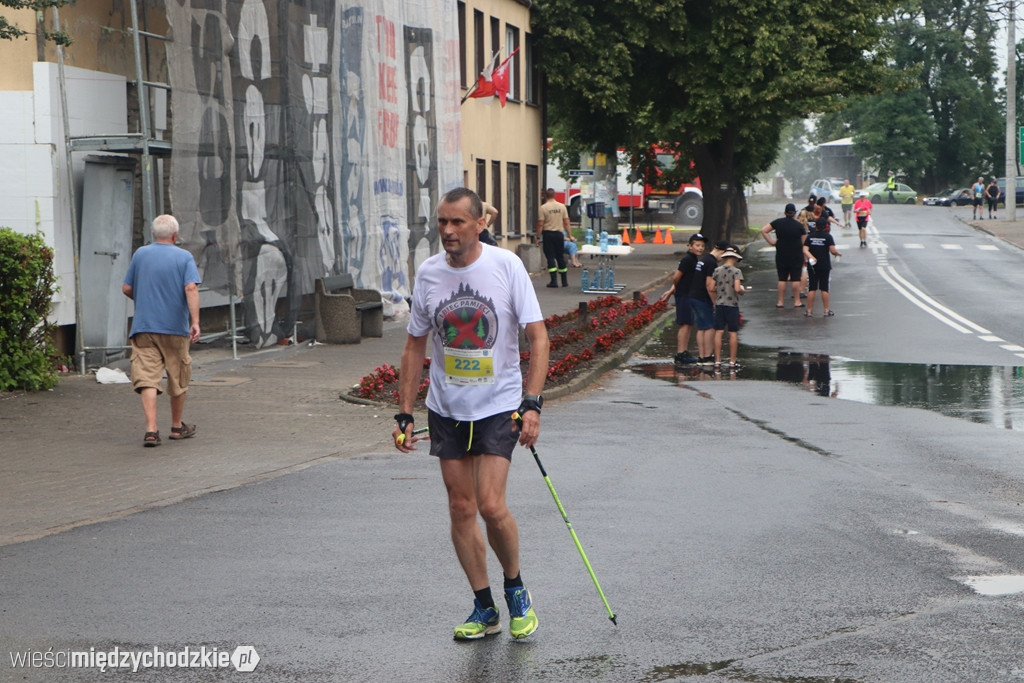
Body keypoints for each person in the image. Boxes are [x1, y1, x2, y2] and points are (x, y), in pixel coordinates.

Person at [393, 187, 550, 641]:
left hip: (499, 405)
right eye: (442, 222)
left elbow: (537, 337)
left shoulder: (506, 266)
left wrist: (532, 402)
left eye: (457, 222)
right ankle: (485, 607)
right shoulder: (428, 273)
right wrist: (405, 412)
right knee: (461, 508)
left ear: (480, 223)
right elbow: (414, 343)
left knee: (490, 505)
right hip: (446, 408)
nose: (447, 231)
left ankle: (515, 589)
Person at [121, 214, 202, 447]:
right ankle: (177, 427)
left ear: (154, 234)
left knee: (147, 377)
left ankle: (150, 430)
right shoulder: (184, 257)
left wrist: (144, 300)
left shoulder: (141, 254)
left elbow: (127, 287)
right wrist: (195, 321)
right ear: (175, 235)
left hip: (144, 327)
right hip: (174, 327)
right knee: (178, 375)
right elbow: (190, 288)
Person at [659, 233, 707, 364]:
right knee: (685, 324)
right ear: (690, 246)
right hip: (684, 295)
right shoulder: (687, 260)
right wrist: (673, 290)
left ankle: (684, 351)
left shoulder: (694, 260)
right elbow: (677, 277)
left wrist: (670, 292)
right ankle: (680, 353)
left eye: (702, 246)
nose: (700, 248)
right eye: (697, 245)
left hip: (689, 294)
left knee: (689, 324)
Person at [760, 203, 807, 309]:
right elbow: (804, 243)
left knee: (782, 278)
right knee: (795, 279)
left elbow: (764, 230)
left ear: (785, 212)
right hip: (796, 254)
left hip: (781, 253)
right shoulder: (799, 226)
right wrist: (805, 256)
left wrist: (772, 242)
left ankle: (780, 302)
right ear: (794, 213)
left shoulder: (778, 223)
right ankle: (797, 301)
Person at [689, 239, 728, 365]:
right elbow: (709, 285)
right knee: (709, 327)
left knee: (701, 327)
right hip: (703, 298)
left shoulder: (704, 260)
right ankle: (707, 356)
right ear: (722, 252)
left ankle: (701, 355)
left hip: (694, 296)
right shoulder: (711, 263)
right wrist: (715, 302)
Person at [709, 247, 746, 369]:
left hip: (720, 304)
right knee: (732, 333)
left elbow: (712, 288)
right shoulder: (736, 272)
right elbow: (737, 288)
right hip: (732, 305)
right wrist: (742, 291)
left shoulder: (717, 270)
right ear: (735, 258)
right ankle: (732, 361)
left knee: (718, 332)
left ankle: (718, 360)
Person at [802, 216, 842, 317]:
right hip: (824, 265)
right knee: (824, 288)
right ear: (825, 226)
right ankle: (826, 310)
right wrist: (837, 253)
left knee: (812, 288)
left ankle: (809, 311)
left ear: (815, 226)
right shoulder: (828, 237)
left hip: (813, 266)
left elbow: (805, 249)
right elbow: (832, 251)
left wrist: (812, 257)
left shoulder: (810, 236)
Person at [537, 188, 570, 287]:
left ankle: (554, 281)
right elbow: (566, 222)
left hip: (548, 234)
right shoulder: (562, 206)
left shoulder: (543, 208)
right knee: (560, 256)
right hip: (559, 235)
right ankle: (564, 281)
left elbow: (540, 224)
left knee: (550, 257)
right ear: (554, 195)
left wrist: (538, 237)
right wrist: (570, 235)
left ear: (545, 196)